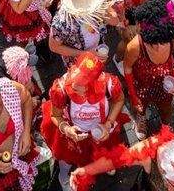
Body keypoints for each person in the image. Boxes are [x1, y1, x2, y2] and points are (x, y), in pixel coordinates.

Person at [40, 51, 127, 188]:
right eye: (76, 80)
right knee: (67, 158)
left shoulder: (109, 83)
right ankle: (63, 174)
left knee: (104, 148)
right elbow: (55, 115)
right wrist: (66, 129)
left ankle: (104, 162)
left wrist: (109, 123)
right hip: (73, 133)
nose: (75, 87)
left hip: (101, 130)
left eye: (84, 83)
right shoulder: (61, 88)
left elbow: (119, 99)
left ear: (96, 81)